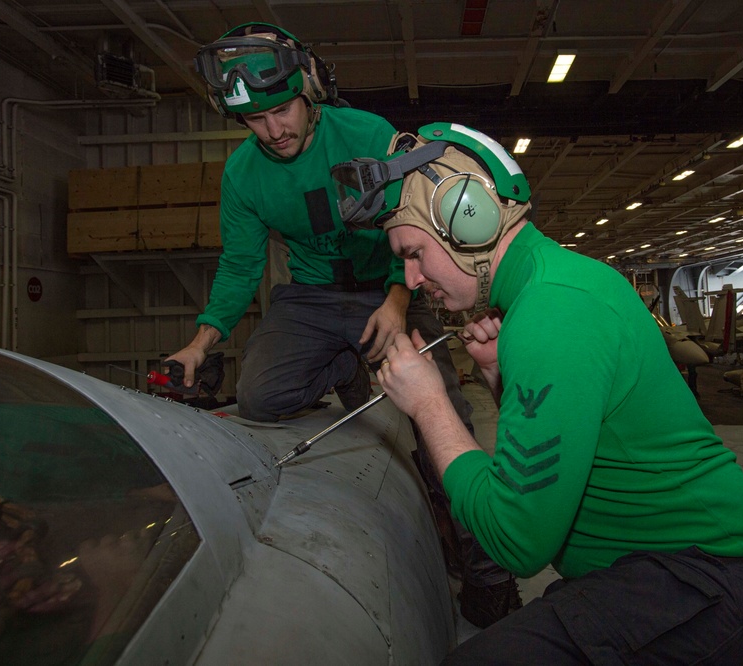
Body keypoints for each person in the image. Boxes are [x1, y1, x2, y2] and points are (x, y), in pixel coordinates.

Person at [334, 123, 743, 663]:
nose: (412, 276)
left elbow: (516, 542)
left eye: (415, 252)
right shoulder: (549, 287)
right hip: (677, 578)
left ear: (469, 220)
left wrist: (428, 404)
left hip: (727, 591)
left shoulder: (550, 313)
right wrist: (499, 377)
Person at [173, 24, 521, 625]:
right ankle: (343, 359)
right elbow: (239, 265)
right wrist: (200, 344)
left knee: (442, 423)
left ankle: (490, 575)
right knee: (260, 394)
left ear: (309, 94)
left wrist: (393, 303)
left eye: (282, 110)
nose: (273, 130)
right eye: (255, 120)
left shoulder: (368, 134)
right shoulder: (242, 175)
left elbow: (411, 234)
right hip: (308, 297)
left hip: (387, 284)